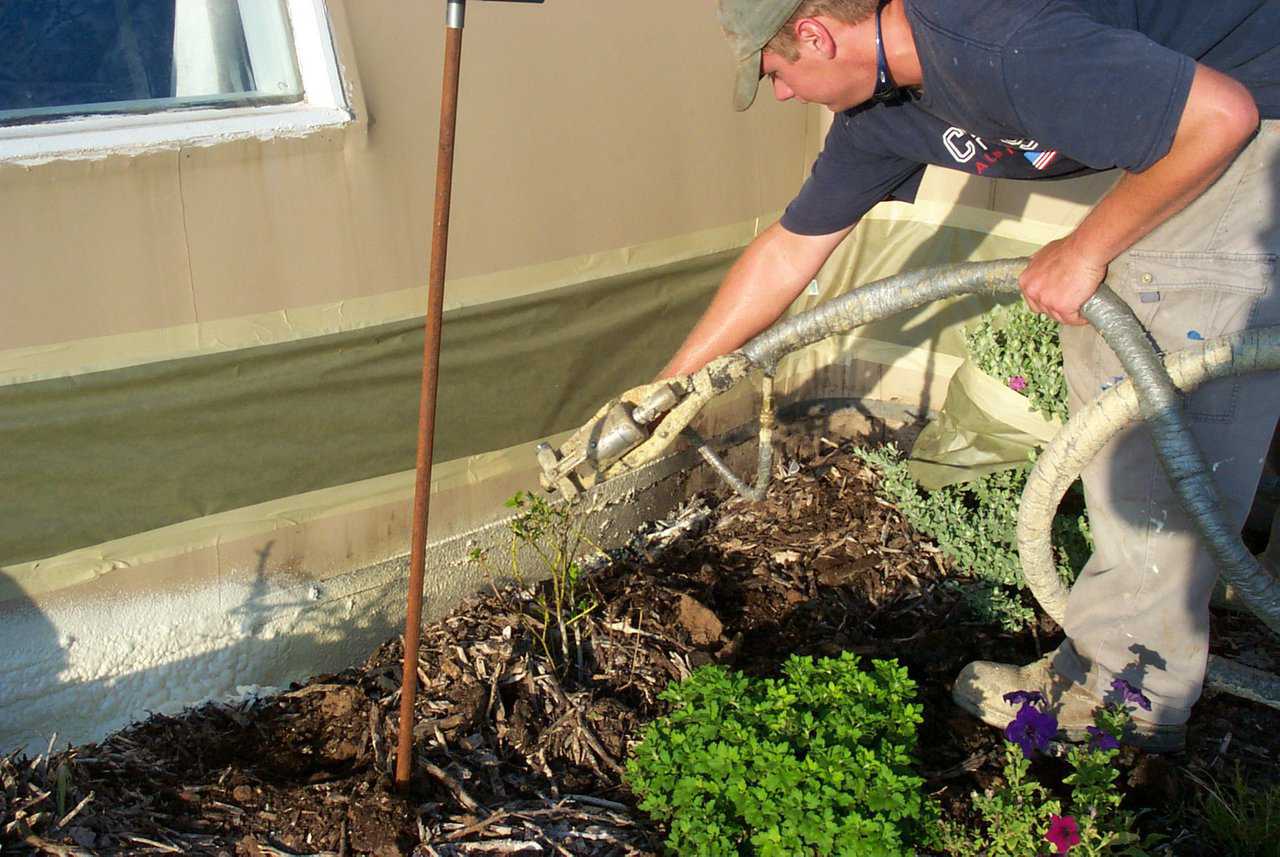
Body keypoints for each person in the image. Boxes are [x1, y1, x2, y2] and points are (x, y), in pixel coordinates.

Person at [663, 0, 1280, 751]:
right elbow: (791, 248)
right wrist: (669, 387)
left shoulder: (993, 38)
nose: (784, 94)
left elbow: (1220, 117)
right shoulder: (884, 111)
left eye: (779, 72)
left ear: (819, 35)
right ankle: (1146, 627)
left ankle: (1127, 703)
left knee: (1148, 386)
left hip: (1257, 113)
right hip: (1230, 110)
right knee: (1115, 343)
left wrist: (1085, 248)